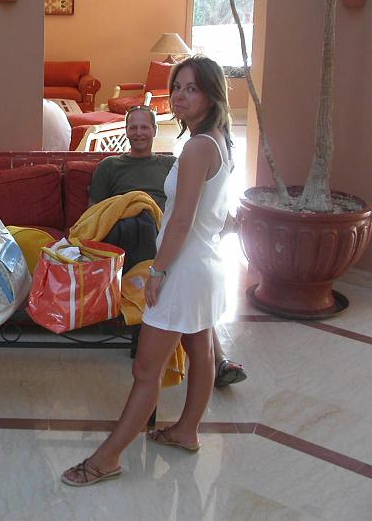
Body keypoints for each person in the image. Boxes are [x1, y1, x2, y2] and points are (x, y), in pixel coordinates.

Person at [62, 56, 235, 486]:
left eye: (191, 88)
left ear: (212, 94)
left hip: (183, 271)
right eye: (176, 87)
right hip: (205, 266)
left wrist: (158, 271)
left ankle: (107, 459)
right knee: (201, 351)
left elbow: (181, 219)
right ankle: (186, 431)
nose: (179, 96)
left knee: (145, 371)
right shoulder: (218, 140)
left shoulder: (197, 147)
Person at [90, 104, 246, 387]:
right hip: (128, 234)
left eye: (144, 127)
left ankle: (219, 360)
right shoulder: (110, 166)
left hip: (167, 237)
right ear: (126, 131)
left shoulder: (170, 165)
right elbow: (95, 215)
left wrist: (225, 219)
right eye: (133, 127)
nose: (139, 132)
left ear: (154, 130)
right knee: (150, 232)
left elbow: (196, 204)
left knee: (189, 280)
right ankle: (208, 359)